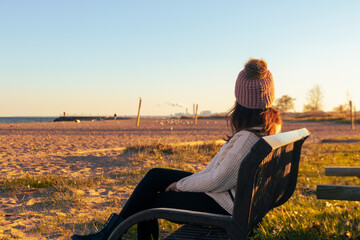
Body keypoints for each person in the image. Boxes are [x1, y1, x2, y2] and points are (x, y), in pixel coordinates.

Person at [71, 58, 282, 240]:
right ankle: (109, 233)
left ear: (241, 98)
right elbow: (218, 173)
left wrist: (181, 185)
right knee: (155, 176)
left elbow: (218, 180)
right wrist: (186, 182)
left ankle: (108, 236)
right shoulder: (266, 127)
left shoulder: (246, 139)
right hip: (236, 198)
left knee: (151, 200)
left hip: (226, 205)